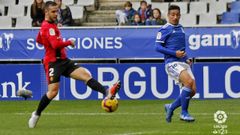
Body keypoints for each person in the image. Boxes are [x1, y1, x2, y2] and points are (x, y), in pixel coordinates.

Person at [28, 1, 121, 128]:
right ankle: (36, 113)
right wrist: (69, 42)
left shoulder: (49, 26)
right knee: (53, 92)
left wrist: (47, 41)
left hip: (64, 61)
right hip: (53, 63)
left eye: (57, 11)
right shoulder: (48, 27)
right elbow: (55, 45)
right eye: (53, 12)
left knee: (85, 75)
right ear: (46, 12)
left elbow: (38, 39)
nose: (56, 14)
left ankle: (107, 92)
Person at [155, 5, 196, 123]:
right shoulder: (165, 29)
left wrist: (187, 58)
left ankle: (171, 107)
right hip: (172, 62)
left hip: (183, 62)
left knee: (192, 91)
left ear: (180, 15)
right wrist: (174, 53)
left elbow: (181, 48)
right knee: (188, 82)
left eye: (177, 15)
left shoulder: (181, 28)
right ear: (168, 15)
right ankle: (184, 113)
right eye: (172, 15)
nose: (175, 17)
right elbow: (157, 47)